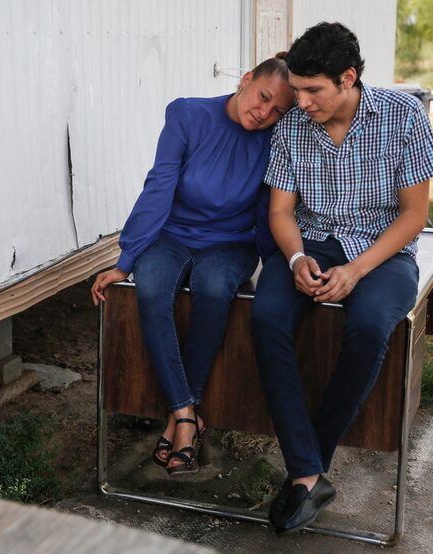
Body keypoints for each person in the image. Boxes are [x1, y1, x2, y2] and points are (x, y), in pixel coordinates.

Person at [251, 22, 433, 535]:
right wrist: (294, 261)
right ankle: (309, 475)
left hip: (382, 251)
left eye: (313, 90)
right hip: (309, 243)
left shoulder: (403, 116)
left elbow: (414, 215)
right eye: (297, 89)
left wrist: (356, 270)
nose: (302, 101)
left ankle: (308, 465)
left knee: (371, 326)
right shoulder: (293, 125)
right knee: (265, 315)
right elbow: (281, 213)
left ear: (348, 78)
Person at [91, 56, 294, 475]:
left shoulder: (278, 139)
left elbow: (268, 209)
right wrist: (126, 259)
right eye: (263, 98)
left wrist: (278, 269)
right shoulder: (187, 114)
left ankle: (179, 418)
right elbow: (159, 186)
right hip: (172, 234)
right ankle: (186, 414)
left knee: (216, 288)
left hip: (231, 243)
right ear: (246, 80)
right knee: (150, 288)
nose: (264, 113)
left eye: (278, 110)